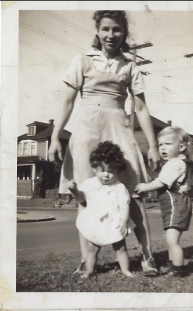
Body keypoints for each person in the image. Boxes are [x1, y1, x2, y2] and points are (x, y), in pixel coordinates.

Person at [48, 10, 160, 276]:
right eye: (106, 29)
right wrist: (54, 137)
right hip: (87, 132)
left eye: (117, 30)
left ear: (124, 33)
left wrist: (153, 146)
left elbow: (142, 108)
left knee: (135, 196)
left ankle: (148, 259)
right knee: (85, 199)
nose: (111, 35)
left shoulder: (130, 65)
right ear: (98, 31)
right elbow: (67, 102)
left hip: (119, 130)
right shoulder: (83, 60)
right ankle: (88, 261)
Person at [68, 141, 136, 278]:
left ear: (117, 170)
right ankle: (89, 271)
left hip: (114, 222)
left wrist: (123, 221)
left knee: (121, 247)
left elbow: (124, 205)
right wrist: (74, 190)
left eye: (111, 172)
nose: (106, 175)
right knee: (92, 248)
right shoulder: (89, 184)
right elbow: (81, 198)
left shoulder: (119, 187)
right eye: (102, 170)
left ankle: (125, 270)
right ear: (94, 169)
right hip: (96, 221)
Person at [135, 126, 192, 277]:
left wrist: (144, 187)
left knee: (172, 241)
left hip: (176, 205)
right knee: (170, 239)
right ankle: (174, 267)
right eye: (160, 145)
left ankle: (178, 271)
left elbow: (161, 182)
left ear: (181, 147)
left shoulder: (176, 164)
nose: (162, 148)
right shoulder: (172, 163)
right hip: (173, 206)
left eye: (167, 144)